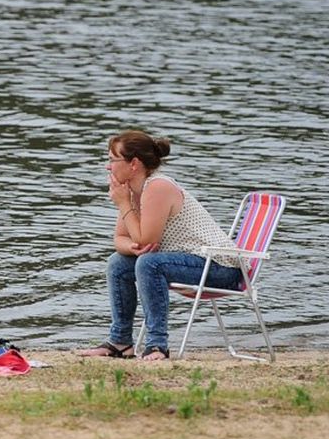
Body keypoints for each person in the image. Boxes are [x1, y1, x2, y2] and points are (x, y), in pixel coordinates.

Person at [76, 130, 244, 361]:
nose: (108, 167)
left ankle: (157, 346)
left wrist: (124, 205)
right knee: (118, 263)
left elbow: (146, 240)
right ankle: (120, 342)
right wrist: (133, 247)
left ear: (133, 163)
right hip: (187, 262)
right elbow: (120, 240)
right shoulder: (132, 191)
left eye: (112, 160)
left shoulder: (157, 187)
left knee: (148, 264)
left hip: (221, 269)